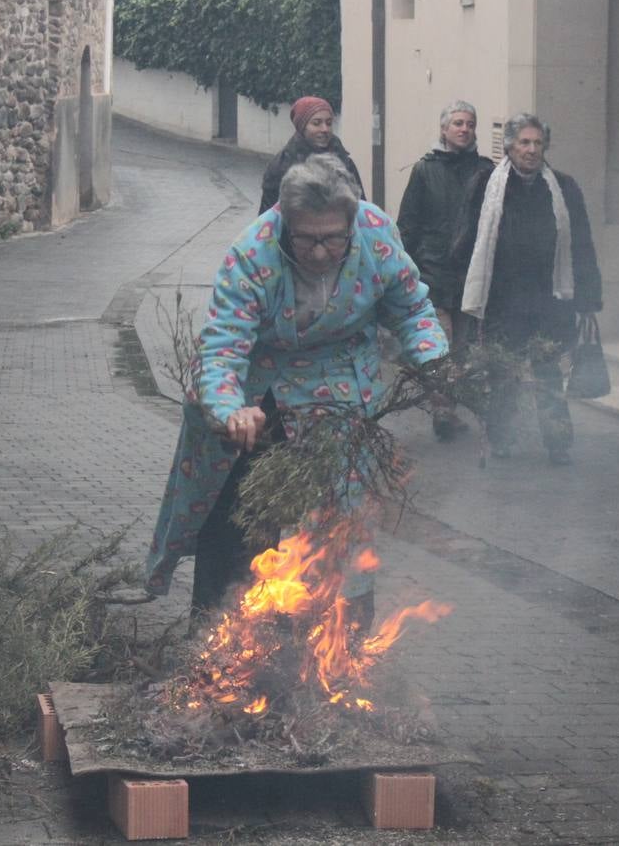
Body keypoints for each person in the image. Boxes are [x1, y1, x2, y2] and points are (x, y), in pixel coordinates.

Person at [147, 154, 448, 626]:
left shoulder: (376, 235)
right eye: (307, 239)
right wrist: (231, 411)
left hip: (339, 387)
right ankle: (218, 631)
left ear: (351, 220)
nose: (321, 252)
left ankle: (341, 630)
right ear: (286, 222)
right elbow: (223, 348)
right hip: (258, 387)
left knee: (341, 514)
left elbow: (411, 309)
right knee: (238, 514)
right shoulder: (252, 253)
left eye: (333, 238)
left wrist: (435, 362)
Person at [452, 113, 601, 466]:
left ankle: (558, 442)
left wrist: (588, 297)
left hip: (550, 301)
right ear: (510, 147)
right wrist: (460, 292)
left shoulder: (563, 188)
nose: (531, 150)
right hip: (503, 300)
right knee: (503, 372)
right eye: (524, 142)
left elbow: (581, 244)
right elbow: (467, 239)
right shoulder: (486, 185)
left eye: (537, 143)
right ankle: (502, 437)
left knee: (549, 372)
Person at [397, 99, 495, 440]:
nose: (464, 129)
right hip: (433, 273)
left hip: (471, 276)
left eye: (470, 123)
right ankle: (442, 410)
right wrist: (405, 271)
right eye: (458, 123)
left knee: (463, 349)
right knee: (440, 345)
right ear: (444, 129)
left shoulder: (486, 171)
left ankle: (450, 406)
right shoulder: (425, 170)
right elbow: (408, 223)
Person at [259, 96, 364, 214]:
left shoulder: (345, 162)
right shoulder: (281, 166)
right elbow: (268, 216)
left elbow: (361, 208)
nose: (325, 129)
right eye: (316, 123)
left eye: (329, 123)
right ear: (302, 127)